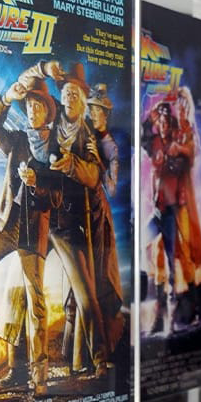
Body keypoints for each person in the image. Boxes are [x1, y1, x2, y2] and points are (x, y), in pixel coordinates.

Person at [0, 65, 64, 398]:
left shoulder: (56, 148)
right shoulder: (16, 139)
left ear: (47, 111)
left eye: (37, 106)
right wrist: (5, 98)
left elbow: (57, 198)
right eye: (29, 105)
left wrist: (37, 182)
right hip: (9, 227)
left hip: (34, 230)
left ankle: (39, 377)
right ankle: (15, 369)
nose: (32, 110)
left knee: (35, 302)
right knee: (7, 295)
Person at [45, 62, 110, 376]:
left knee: (83, 293)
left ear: (83, 100)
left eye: (75, 93)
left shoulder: (87, 135)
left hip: (69, 224)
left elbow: (94, 175)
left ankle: (93, 359)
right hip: (41, 217)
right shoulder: (49, 121)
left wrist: (72, 163)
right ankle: (71, 359)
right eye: (66, 92)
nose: (70, 97)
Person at [145, 97, 201, 334]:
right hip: (161, 209)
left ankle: (193, 309)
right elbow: (144, 134)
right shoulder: (156, 143)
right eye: (159, 122)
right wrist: (154, 114)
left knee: (183, 254)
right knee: (156, 253)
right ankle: (161, 314)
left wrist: (178, 149)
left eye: (165, 121)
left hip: (178, 208)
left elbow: (189, 152)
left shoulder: (181, 138)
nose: (162, 125)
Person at [82, 83, 125, 359]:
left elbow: (111, 188)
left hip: (99, 215)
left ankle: (106, 344)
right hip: (80, 210)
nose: (92, 114)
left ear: (105, 114)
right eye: (90, 109)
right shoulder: (84, 133)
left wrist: (97, 161)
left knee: (101, 277)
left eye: (97, 110)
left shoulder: (110, 147)